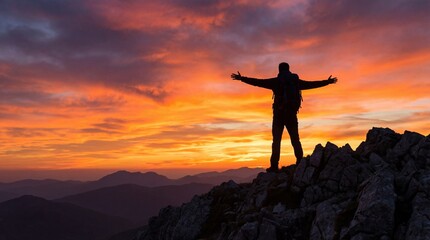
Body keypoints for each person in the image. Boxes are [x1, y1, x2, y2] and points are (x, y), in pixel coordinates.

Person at [231, 62, 337, 172]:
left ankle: (274, 166)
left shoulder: (276, 82)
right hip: (291, 114)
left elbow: (258, 82)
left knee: (276, 141)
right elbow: (311, 84)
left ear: (279, 70)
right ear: (288, 69)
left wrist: (241, 78)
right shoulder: (295, 82)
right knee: (295, 139)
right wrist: (327, 82)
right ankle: (300, 161)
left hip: (278, 115)